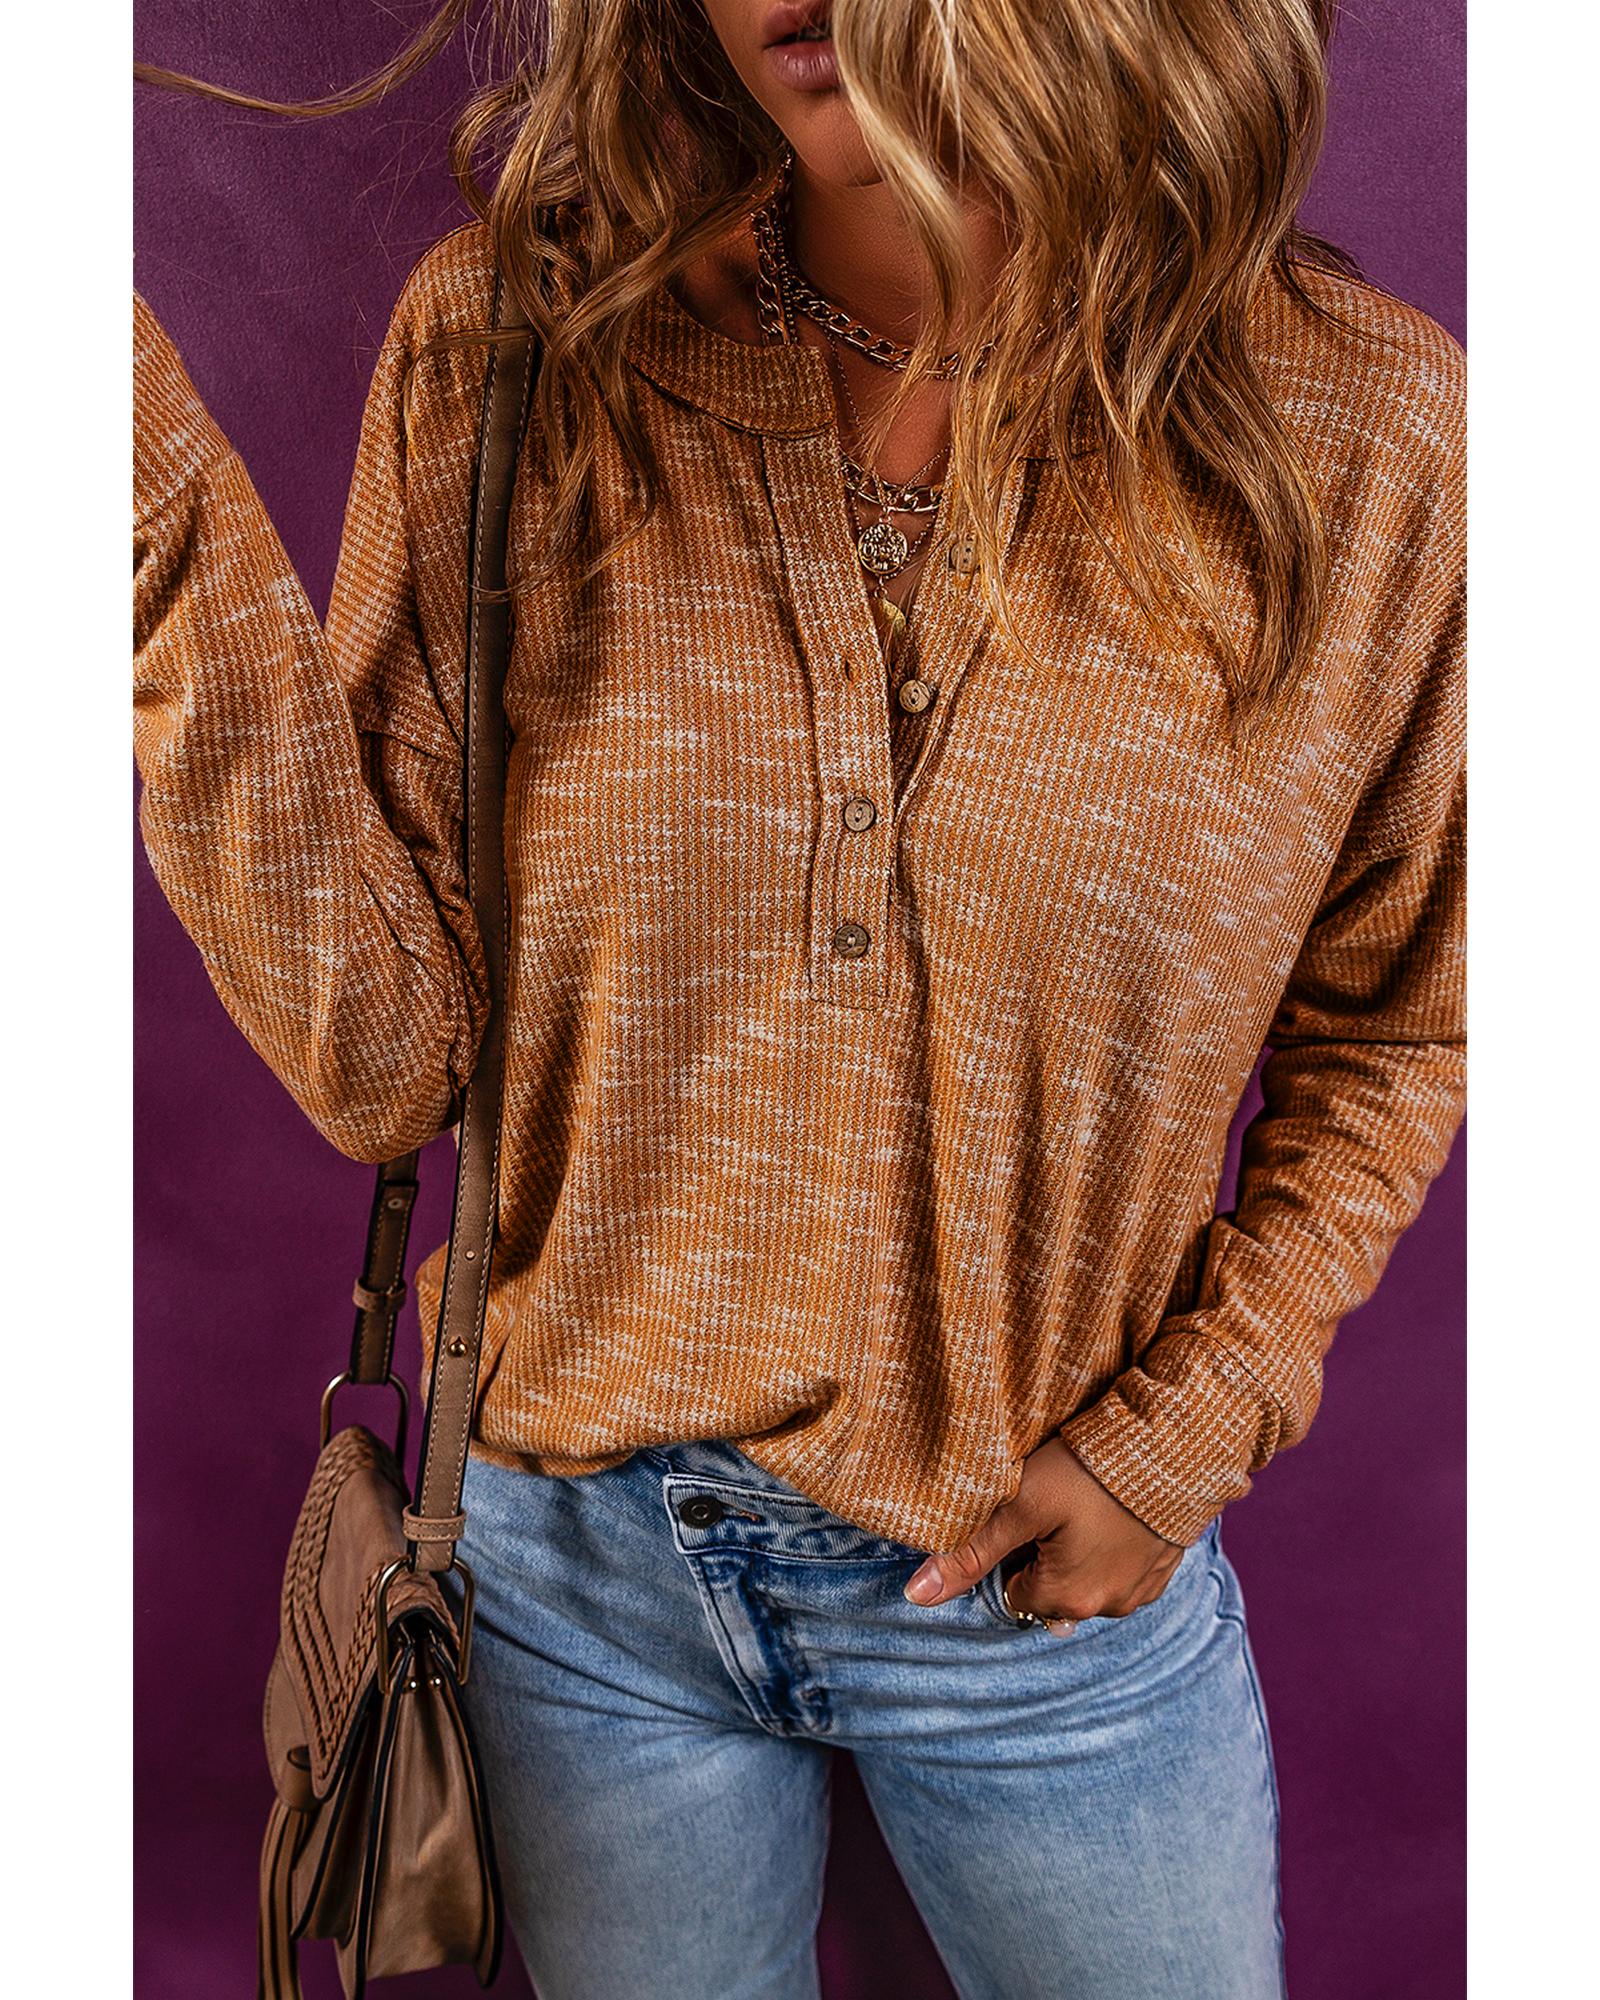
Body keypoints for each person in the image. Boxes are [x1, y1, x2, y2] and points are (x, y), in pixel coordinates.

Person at [133, 2, 1465, 1994]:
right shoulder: (518, 349)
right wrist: (130, 483)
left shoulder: (1360, 434)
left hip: (1045, 1624)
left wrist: (1189, 1422)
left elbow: (1402, 1017)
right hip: (568, 1593)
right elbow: (385, 1058)